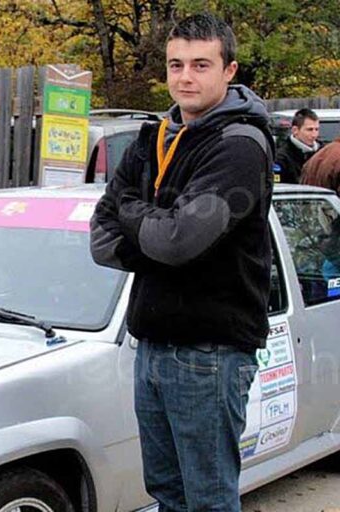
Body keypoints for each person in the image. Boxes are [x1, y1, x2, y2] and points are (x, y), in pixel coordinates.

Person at [90, 13, 273, 511]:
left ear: (229, 70)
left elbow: (176, 242)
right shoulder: (156, 136)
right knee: (167, 494)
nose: (185, 77)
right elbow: (101, 240)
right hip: (151, 343)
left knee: (208, 500)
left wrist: (134, 213)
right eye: (175, 65)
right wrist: (154, 230)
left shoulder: (240, 146)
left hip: (208, 354)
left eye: (200, 64)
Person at [274, 108, 321, 183]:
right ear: (295, 130)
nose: (314, 135)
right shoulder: (282, 157)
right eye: (310, 130)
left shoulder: (322, 151)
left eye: (317, 129)